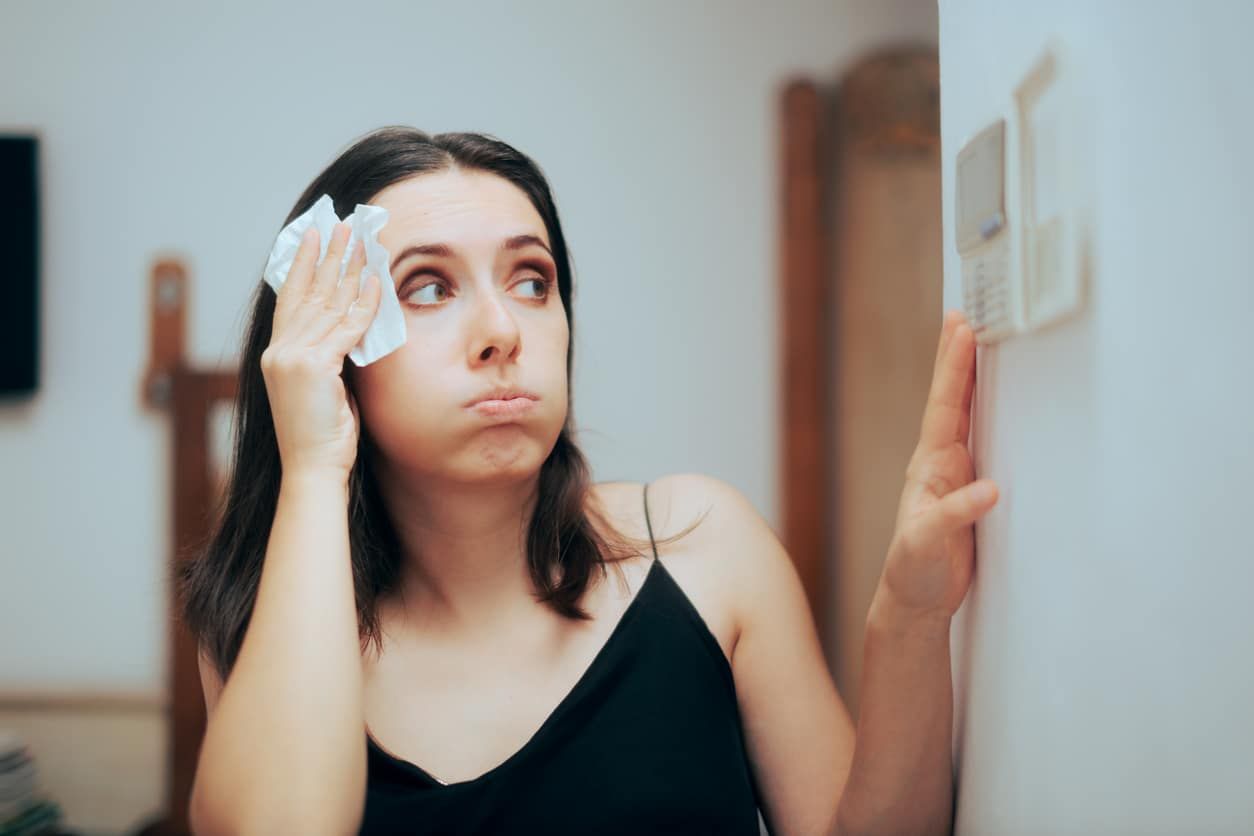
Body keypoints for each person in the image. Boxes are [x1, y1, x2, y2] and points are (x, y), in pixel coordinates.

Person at [179, 126, 998, 836]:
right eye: (427, 287)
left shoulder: (705, 549)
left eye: (532, 281)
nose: (503, 331)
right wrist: (316, 461)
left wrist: (912, 618)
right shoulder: (263, 621)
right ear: (335, 344)